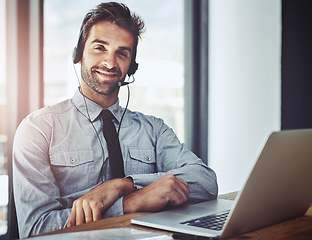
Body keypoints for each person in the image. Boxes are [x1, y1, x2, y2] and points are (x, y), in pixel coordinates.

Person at [13, 2, 218, 238]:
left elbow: (206, 182)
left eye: (122, 53)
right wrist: (129, 204)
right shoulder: (38, 130)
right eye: (100, 48)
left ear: (132, 66)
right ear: (78, 54)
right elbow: (36, 229)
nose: (110, 63)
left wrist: (123, 185)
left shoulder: (154, 130)